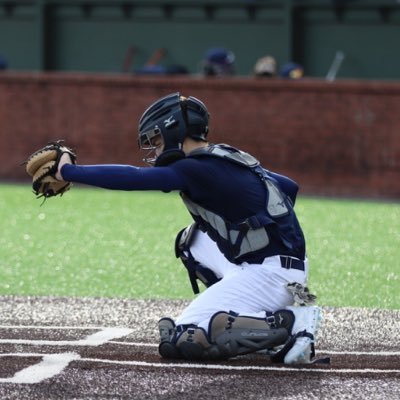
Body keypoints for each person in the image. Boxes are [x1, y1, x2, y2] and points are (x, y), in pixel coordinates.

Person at [55, 92, 322, 364]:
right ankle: (254, 315)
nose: (155, 149)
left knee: (184, 338)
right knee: (190, 242)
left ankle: (292, 323)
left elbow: (135, 177)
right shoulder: (227, 157)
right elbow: (289, 186)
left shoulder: (195, 168)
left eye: (156, 140)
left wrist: (69, 172)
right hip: (284, 269)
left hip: (268, 276)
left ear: (174, 133)